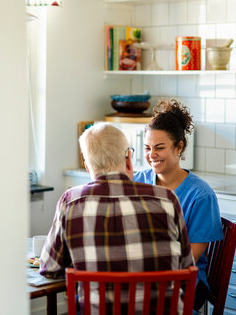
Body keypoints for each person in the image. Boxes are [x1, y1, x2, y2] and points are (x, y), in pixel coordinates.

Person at [39, 122, 194, 313]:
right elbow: (187, 267)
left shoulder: (71, 201)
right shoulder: (167, 199)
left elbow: (50, 268)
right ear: (129, 159)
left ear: (88, 167)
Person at [133, 99, 223, 311]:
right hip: (142, 275)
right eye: (147, 148)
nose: (151, 155)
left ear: (179, 147)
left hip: (185, 282)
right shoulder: (137, 182)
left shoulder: (201, 195)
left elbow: (190, 257)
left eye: (160, 147)